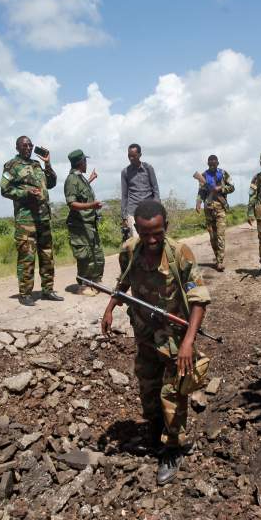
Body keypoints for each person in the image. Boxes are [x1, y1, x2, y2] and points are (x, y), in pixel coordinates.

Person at [101, 199, 210, 485]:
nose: (151, 239)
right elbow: (123, 282)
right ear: (136, 228)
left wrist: (188, 343)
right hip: (144, 333)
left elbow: (199, 300)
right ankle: (156, 431)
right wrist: (110, 308)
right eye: (145, 233)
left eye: (157, 233)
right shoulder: (129, 251)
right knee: (147, 387)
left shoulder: (179, 253)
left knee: (172, 393)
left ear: (166, 228)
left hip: (175, 339)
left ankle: (173, 449)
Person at [0, 135, 61, 305]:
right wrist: (25, 193)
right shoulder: (11, 166)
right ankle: (25, 294)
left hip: (44, 217)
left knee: (47, 255)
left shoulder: (36, 165)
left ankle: (48, 290)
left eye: (30, 145)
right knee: (27, 257)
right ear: (17, 147)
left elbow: (51, 183)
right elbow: (4, 190)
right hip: (26, 220)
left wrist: (47, 163)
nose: (28, 148)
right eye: (25, 145)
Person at [64, 149, 104, 295]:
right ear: (81, 163)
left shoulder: (80, 178)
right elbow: (72, 203)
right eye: (85, 161)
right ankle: (83, 285)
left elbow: (82, 192)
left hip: (89, 224)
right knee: (85, 256)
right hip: (79, 225)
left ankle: (94, 282)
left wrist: (91, 179)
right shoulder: (71, 180)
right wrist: (92, 205)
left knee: (96, 254)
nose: (87, 164)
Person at [194, 154, 234, 271]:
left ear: (217, 163)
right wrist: (198, 203)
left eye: (214, 163)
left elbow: (232, 187)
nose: (212, 165)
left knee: (220, 235)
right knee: (212, 237)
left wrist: (220, 188)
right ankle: (217, 257)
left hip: (220, 208)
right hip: (208, 209)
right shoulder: (203, 175)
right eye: (210, 163)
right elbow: (201, 191)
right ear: (208, 164)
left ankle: (220, 261)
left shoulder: (223, 173)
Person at [119, 143, 159, 239]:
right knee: (137, 241)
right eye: (129, 156)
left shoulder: (148, 168)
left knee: (152, 238)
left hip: (149, 210)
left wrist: (158, 209)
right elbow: (124, 196)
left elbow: (155, 189)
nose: (131, 158)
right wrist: (124, 217)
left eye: (133, 156)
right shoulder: (125, 172)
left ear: (140, 155)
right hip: (133, 211)